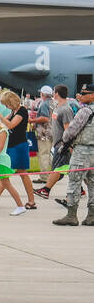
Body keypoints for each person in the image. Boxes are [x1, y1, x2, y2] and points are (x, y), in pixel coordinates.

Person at [52, 84, 94, 226]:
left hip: (82, 150)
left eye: (85, 93)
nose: (81, 96)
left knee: (74, 181)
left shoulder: (85, 111)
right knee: (93, 184)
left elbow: (71, 130)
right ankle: (92, 215)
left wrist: (64, 141)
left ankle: (71, 215)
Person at [0, 90, 36, 209]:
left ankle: (32, 201)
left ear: (11, 102)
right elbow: (4, 124)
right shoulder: (14, 111)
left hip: (19, 146)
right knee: (5, 172)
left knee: (22, 173)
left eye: (6, 104)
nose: (5, 106)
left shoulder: (22, 111)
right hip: (11, 145)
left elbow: (11, 125)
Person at [39, 85, 74, 201]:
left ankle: (46, 190)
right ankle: (80, 190)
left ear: (57, 93)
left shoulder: (65, 109)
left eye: (54, 92)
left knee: (58, 169)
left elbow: (68, 129)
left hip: (62, 145)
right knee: (67, 168)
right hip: (57, 144)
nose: (53, 93)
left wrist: (68, 145)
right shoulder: (57, 107)